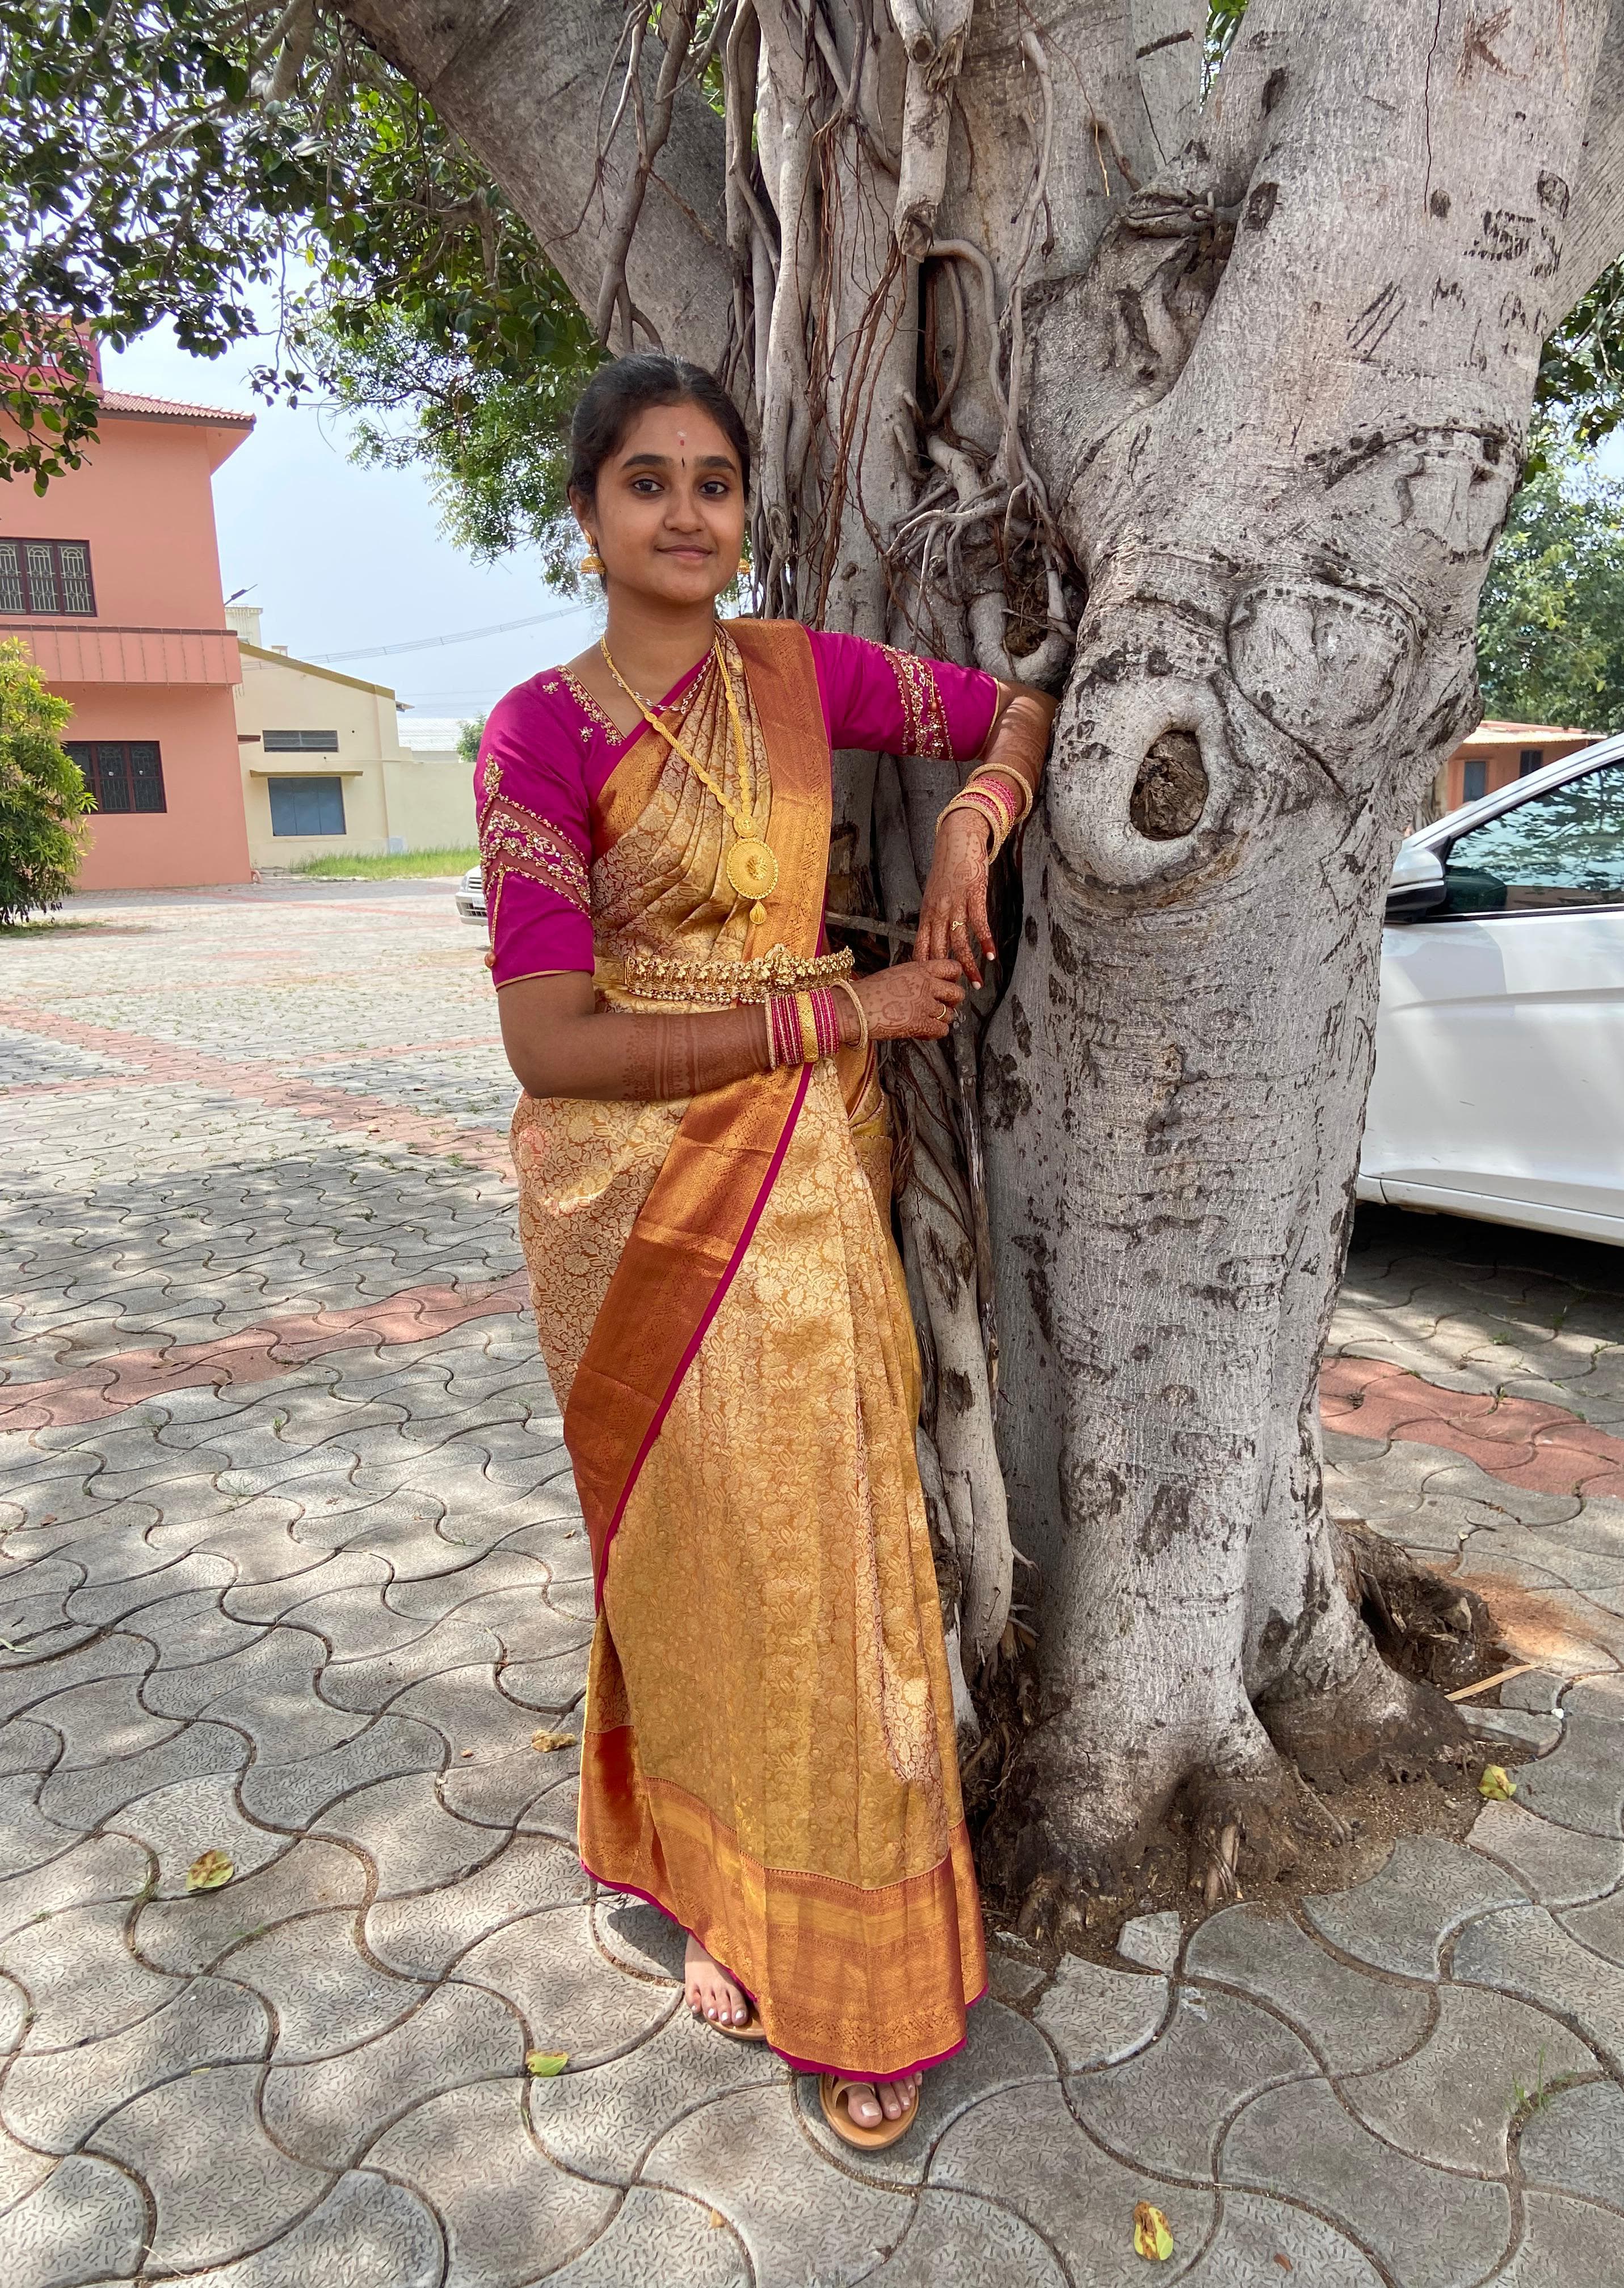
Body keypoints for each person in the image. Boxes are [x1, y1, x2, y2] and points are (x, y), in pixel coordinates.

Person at [476, 351, 1054, 2149]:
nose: (685, 512)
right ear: (587, 516)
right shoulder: (538, 733)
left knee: (831, 1555)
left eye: (714, 482)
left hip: (802, 1179)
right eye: (645, 481)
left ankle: (852, 1968)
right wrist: (844, 1012)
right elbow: (551, 1042)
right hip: (631, 1194)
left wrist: (973, 814)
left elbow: (1016, 710)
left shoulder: (803, 677)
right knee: (691, 1547)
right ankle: (704, 1876)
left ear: (746, 511)